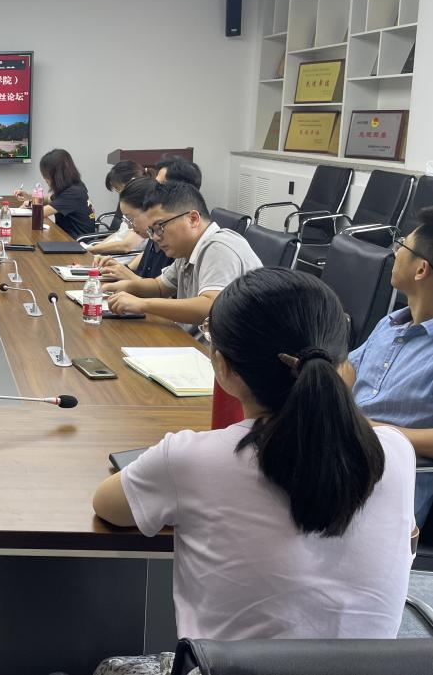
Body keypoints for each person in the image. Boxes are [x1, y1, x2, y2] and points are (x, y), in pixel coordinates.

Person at [91, 269, 416, 674]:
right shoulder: (395, 453)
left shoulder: (189, 459)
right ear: (341, 360)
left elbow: (107, 505)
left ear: (222, 367)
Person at [340, 207, 433, 527]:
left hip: (385, 482)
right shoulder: (392, 323)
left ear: (421, 269)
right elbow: (349, 370)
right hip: (342, 451)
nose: (394, 253)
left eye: (401, 246)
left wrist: (373, 430)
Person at [105, 181, 261, 332]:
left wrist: (142, 304)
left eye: (160, 227)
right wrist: (118, 288)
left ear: (193, 219)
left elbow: (212, 307)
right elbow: (159, 287)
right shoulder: (188, 249)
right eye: (152, 231)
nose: (156, 237)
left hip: (222, 347)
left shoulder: (219, 247)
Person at [92, 178, 173, 281]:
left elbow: (160, 288)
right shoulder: (152, 239)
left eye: (130, 218)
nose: (130, 227)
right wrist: (117, 268)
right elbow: (142, 277)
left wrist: (129, 276)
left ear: (149, 211)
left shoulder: (171, 246)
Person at [11, 148, 95, 238]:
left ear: (56, 174)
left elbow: (40, 214)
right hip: (66, 236)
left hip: (76, 242)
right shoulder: (74, 186)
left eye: (46, 174)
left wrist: (21, 209)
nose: (44, 178)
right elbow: (49, 199)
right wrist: (28, 196)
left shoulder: (73, 193)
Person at [86, 160, 145, 255]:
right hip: (110, 255)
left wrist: (92, 249)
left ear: (132, 181)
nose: (119, 193)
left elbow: (126, 246)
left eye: (118, 188)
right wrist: (94, 248)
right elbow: (118, 234)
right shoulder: (130, 204)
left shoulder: (144, 208)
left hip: (122, 258)